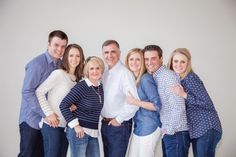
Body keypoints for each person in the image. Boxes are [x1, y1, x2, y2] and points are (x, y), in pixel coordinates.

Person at [18, 30, 68, 157]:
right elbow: (27, 91)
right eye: (56, 45)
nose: (60, 49)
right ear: (48, 44)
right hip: (32, 120)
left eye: (63, 46)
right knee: (27, 154)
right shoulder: (37, 64)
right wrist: (46, 113)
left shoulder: (61, 65)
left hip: (49, 122)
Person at [167, 48, 222, 157]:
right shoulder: (179, 80)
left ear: (188, 63)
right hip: (198, 131)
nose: (179, 64)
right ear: (171, 62)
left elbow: (207, 103)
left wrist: (183, 94)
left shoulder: (190, 78)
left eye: (183, 61)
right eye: (176, 61)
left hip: (207, 127)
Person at [35, 44, 85, 157]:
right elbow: (39, 91)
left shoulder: (78, 79)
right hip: (52, 125)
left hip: (66, 126)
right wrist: (49, 113)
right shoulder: (59, 74)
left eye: (78, 56)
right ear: (66, 56)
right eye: (71, 55)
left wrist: (74, 106)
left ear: (81, 58)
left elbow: (68, 100)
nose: (74, 59)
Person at [143, 45, 190, 157]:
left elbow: (179, 106)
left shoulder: (168, 76)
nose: (149, 62)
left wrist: (169, 130)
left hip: (176, 132)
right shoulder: (156, 77)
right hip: (171, 132)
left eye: (153, 58)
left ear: (161, 59)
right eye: (146, 59)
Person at [60, 56, 105, 157]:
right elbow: (63, 105)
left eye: (97, 68)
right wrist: (76, 126)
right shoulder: (82, 86)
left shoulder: (100, 87)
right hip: (79, 131)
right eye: (91, 68)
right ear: (87, 71)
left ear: (101, 70)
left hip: (93, 132)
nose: (95, 71)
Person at [101, 40, 139, 157]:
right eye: (106, 52)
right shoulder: (104, 72)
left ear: (119, 53)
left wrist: (118, 120)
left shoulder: (124, 73)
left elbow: (134, 102)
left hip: (119, 126)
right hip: (106, 124)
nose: (109, 55)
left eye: (113, 52)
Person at [125, 48, 162, 157]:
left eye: (138, 59)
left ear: (143, 62)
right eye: (131, 59)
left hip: (150, 126)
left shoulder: (146, 79)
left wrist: (135, 102)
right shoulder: (133, 80)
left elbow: (157, 105)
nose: (134, 62)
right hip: (139, 127)